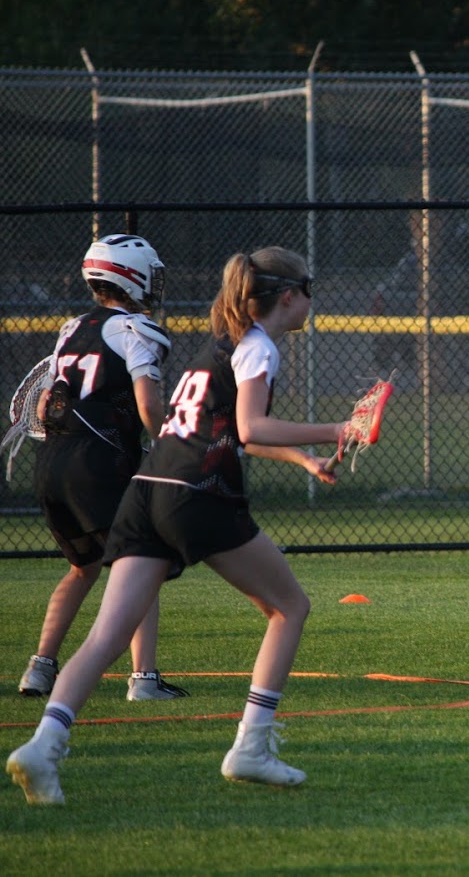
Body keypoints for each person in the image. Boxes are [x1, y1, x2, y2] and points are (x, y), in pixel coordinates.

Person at [6, 246, 346, 806]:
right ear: (288, 296)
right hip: (197, 492)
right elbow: (252, 425)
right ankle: (251, 748)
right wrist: (335, 429)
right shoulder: (258, 347)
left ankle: (43, 747)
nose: (311, 299)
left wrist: (304, 458)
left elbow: (236, 432)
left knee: (108, 635)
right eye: (308, 289)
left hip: (147, 490)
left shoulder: (225, 343)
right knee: (290, 608)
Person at [17, 234, 188, 702]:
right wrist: (170, 446)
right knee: (143, 563)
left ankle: (39, 669)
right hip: (98, 463)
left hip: (52, 464)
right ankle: (144, 679)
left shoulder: (71, 328)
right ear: (130, 276)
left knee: (83, 569)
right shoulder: (135, 328)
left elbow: (49, 400)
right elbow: (148, 404)